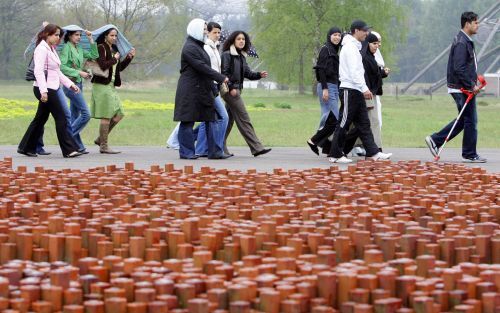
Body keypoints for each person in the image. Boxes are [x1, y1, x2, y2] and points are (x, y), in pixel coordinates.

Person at [425, 11, 486, 163]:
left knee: (463, 119)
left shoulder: (464, 40)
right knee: (470, 120)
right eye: (476, 23)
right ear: (467, 24)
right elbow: (459, 68)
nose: (478, 25)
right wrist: (471, 85)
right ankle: (470, 154)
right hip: (461, 88)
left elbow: (465, 66)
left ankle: (435, 140)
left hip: (462, 86)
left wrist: (474, 79)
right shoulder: (461, 42)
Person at [328, 20, 392, 163]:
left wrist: (361, 88)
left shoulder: (355, 47)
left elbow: (358, 71)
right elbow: (354, 71)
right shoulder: (350, 48)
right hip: (349, 90)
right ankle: (335, 154)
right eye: (364, 31)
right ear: (356, 31)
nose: (367, 33)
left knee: (364, 124)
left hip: (356, 89)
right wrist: (364, 88)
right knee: (343, 123)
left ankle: (373, 152)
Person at [18, 24, 83, 158]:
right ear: (47, 34)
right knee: (61, 117)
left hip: (51, 87)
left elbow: (57, 72)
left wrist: (70, 84)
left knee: (40, 119)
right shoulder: (41, 49)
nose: (58, 38)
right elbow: (38, 71)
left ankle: (26, 147)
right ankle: (69, 150)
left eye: (59, 35)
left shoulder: (51, 49)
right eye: (56, 35)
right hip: (45, 89)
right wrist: (44, 92)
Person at [173, 18, 228, 159]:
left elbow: (205, 70)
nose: (205, 31)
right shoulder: (189, 48)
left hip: (203, 89)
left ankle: (214, 152)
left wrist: (214, 90)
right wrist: (220, 77)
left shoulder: (198, 46)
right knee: (188, 121)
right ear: (196, 30)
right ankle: (187, 153)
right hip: (190, 90)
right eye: (204, 29)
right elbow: (202, 67)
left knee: (212, 119)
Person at [221, 31, 271, 157]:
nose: (242, 41)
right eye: (239, 39)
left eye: (243, 39)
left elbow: (248, 74)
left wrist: (259, 75)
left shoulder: (241, 56)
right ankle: (257, 148)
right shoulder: (227, 55)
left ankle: (220, 146)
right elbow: (224, 73)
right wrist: (231, 87)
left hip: (237, 91)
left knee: (228, 121)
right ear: (233, 40)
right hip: (231, 92)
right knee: (244, 119)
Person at [342, 32, 390, 155]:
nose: (377, 46)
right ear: (367, 43)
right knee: (369, 122)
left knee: (363, 124)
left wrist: (382, 73)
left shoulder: (370, 56)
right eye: (374, 43)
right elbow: (362, 77)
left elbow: (374, 76)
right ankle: (373, 149)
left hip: (369, 93)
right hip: (366, 93)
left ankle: (366, 149)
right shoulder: (363, 57)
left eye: (378, 43)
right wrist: (366, 93)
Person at [91, 27, 135, 154]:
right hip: (101, 85)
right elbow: (102, 65)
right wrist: (114, 59)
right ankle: (104, 146)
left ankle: (100, 139)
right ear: (105, 36)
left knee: (119, 114)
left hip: (111, 86)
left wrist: (129, 58)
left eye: (116, 36)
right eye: (112, 35)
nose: (114, 38)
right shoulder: (101, 47)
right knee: (106, 114)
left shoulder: (114, 49)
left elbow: (118, 68)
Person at [194, 21, 231, 158]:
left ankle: (201, 149)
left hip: (215, 85)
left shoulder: (215, 48)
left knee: (206, 119)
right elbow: (207, 70)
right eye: (214, 32)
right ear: (208, 33)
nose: (217, 35)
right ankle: (217, 149)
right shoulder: (206, 48)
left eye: (219, 32)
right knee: (224, 117)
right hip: (209, 86)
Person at [59, 27, 99, 154]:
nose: (79, 37)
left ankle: (78, 146)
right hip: (70, 85)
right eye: (76, 35)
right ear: (70, 36)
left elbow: (94, 55)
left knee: (74, 116)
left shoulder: (80, 48)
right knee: (86, 114)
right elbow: (63, 67)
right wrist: (79, 72)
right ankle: (67, 138)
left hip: (78, 84)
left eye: (80, 35)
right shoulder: (66, 48)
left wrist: (90, 39)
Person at [307, 27, 342, 156]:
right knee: (334, 119)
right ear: (329, 36)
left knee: (329, 118)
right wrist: (325, 88)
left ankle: (325, 146)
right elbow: (320, 69)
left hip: (333, 87)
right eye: (334, 35)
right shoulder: (325, 49)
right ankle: (315, 141)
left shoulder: (334, 50)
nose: (337, 37)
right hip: (327, 87)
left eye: (339, 35)